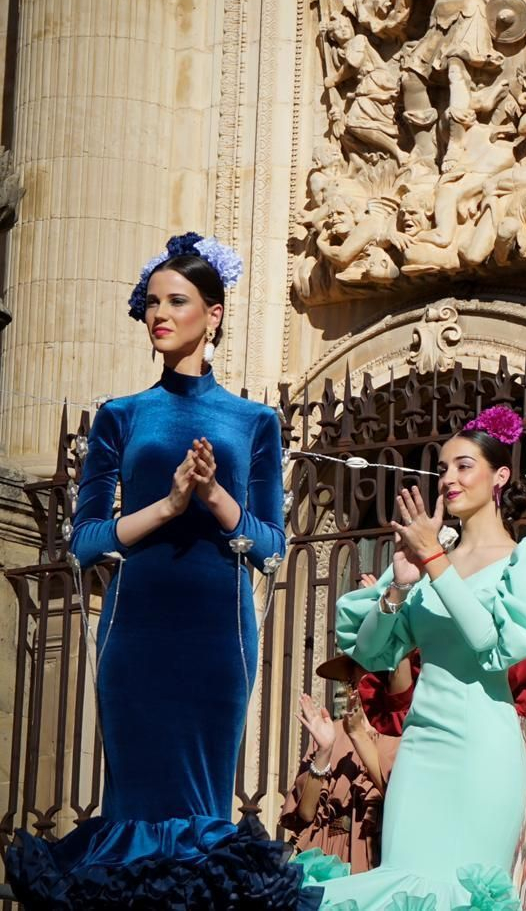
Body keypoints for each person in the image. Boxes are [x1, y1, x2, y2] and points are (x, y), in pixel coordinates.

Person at [3, 233, 312, 909]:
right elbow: (84, 543)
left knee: (202, 811)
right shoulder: (120, 416)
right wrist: (169, 505)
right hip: (137, 634)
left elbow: (270, 548)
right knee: (135, 810)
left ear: (214, 314)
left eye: (176, 301)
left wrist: (214, 497)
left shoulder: (256, 421)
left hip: (217, 639)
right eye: (151, 303)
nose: (159, 314)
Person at [303, 405, 526, 911]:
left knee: (464, 896)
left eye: (464, 466)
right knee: (403, 885)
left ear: (500, 476)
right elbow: (371, 652)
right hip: (420, 753)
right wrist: (398, 589)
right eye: (444, 468)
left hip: (484, 751)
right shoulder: (423, 563)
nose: (448, 479)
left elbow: (492, 645)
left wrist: (434, 561)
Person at [281, 632, 414, 875]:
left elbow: (402, 800)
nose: (372, 673)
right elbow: (306, 814)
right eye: (364, 665)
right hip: (327, 860)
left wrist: (358, 734)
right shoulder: (329, 730)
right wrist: (324, 751)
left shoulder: (405, 733)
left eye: (379, 665)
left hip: (375, 860)